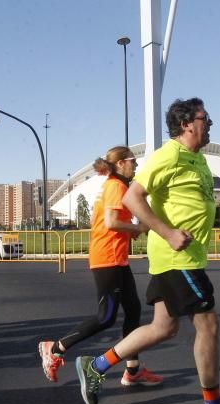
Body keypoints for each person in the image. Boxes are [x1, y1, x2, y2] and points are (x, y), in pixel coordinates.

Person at [74, 98, 220, 404]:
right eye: (205, 118)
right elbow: (133, 198)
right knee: (209, 327)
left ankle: (96, 366)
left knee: (164, 328)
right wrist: (168, 232)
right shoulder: (168, 155)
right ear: (187, 123)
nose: (210, 123)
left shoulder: (197, 159)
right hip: (178, 258)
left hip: (183, 257)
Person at [37, 146, 162, 387]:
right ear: (120, 164)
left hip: (117, 258)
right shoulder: (116, 186)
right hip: (108, 259)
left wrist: (131, 232)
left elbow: (114, 222)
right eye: (132, 161)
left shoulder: (116, 185)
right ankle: (54, 349)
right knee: (105, 317)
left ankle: (133, 370)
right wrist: (138, 228)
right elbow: (111, 221)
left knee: (133, 310)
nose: (135, 165)